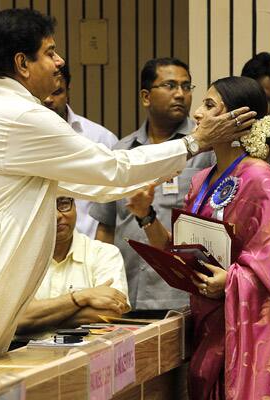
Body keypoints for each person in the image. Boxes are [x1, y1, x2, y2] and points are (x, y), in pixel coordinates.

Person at [0, 9, 255, 381]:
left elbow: (98, 183)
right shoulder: (18, 115)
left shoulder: (9, 111)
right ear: (22, 63)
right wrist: (194, 142)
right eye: (51, 52)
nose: (60, 62)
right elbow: (112, 169)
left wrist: (176, 155)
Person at [127, 76, 270, 399]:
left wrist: (231, 281)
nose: (196, 114)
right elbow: (183, 252)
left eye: (209, 106)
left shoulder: (263, 182)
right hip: (208, 329)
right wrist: (145, 215)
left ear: (239, 120)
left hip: (247, 333)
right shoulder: (199, 183)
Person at [90, 58, 215, 315]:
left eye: (186, 86)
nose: (180, 94)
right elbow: (106, 226)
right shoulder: (121, 152)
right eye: (170, 85)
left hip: (180, 292)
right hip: (127, 290)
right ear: (146, 97)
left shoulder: (206, 151)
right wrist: (100, 283)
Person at [16, 196, 129, 334]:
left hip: (87, 350)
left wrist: (38, 319)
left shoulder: (103, 253)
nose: (57, 215)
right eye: (47, 208)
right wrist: (82, 297)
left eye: (63, 204)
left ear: (75, 206)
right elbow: (17, 319)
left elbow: (111, 313)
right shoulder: (19, 258)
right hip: (23, 352)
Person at [42, 64, 119, 239]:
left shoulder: (101, 139)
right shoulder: (17, 140)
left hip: (89, 257)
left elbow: (110, 211)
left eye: (56, 92)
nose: (48, 99)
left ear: (68, 92)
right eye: (42, 93)